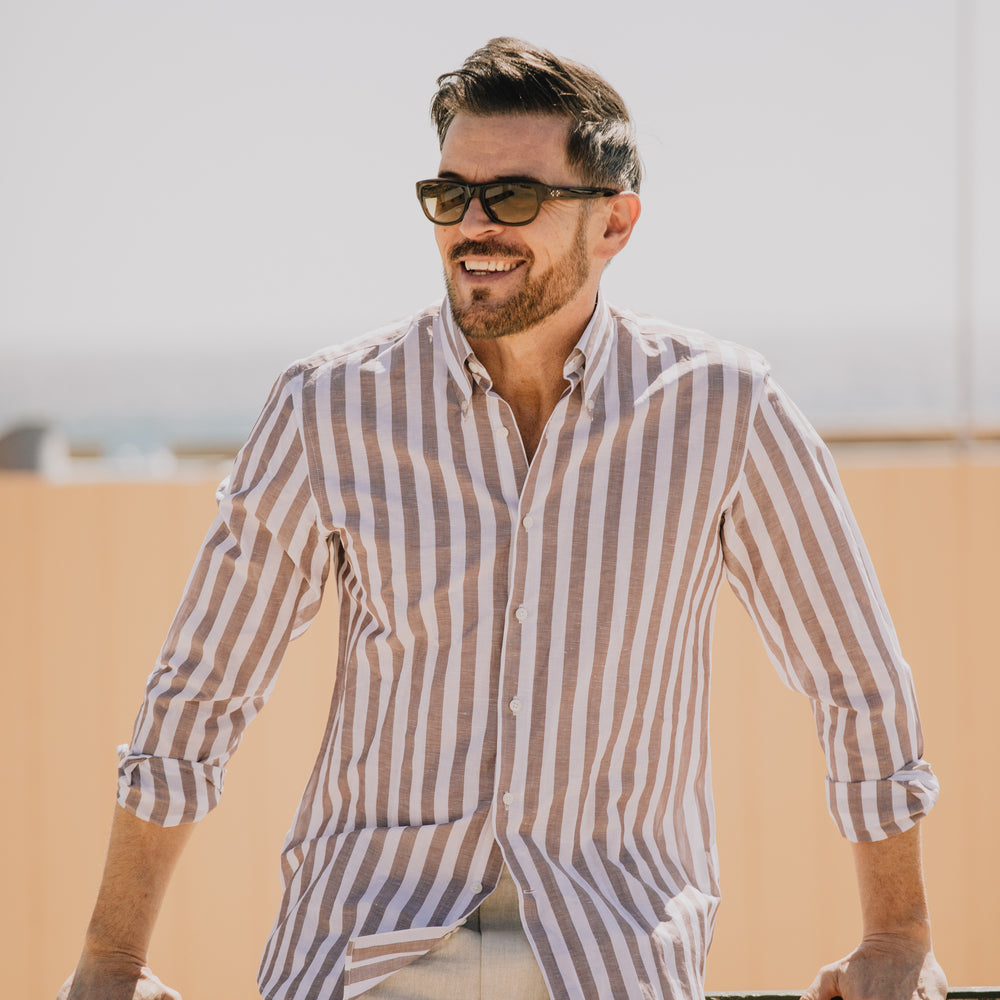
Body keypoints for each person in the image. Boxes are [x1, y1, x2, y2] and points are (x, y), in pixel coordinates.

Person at [61, 37, 946, 1000]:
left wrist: (897, 933)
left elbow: (854, 676)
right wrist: (112, 959)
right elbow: (200, 689)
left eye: (513, 197)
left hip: (610, 959)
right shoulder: (327, 408)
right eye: (451, 196)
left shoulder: (723, 409)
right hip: (363, 951)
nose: (473, 225)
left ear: (614, 223)